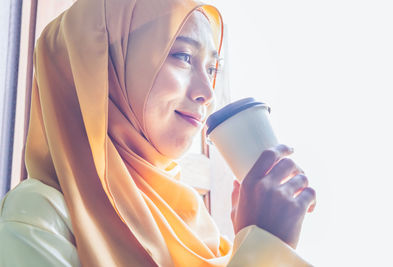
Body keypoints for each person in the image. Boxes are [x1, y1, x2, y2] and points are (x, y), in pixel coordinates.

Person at [0, 0, 316, 266]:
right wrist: (264, 246)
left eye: (212, 69)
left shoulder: (200, 231)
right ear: (102, 68)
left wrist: (254, 241)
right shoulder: (38, 217)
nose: (207, 91)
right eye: (183, 56)